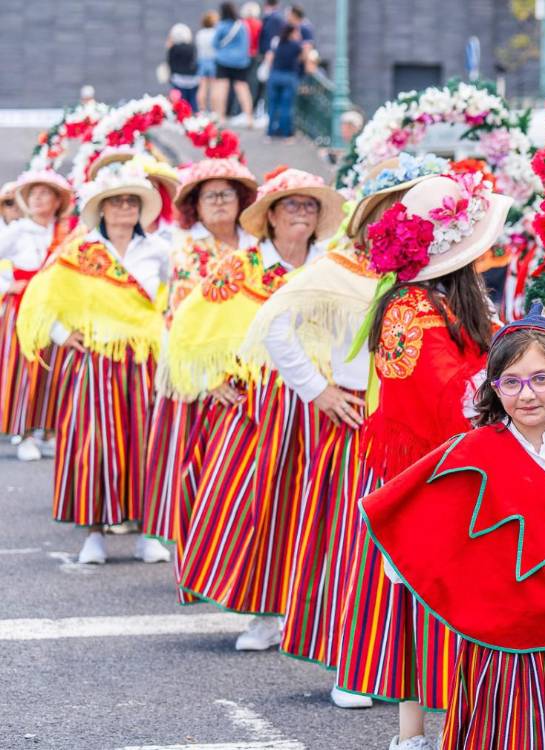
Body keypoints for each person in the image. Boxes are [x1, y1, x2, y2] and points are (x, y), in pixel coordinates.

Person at [364, 302, 545, 750]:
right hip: (493, 638)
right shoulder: (471, 451)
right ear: (493, 389)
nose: (527, 394)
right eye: (511, 382)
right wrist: (421, 570)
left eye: (541, 379)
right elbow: (416, 524)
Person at [343, 167, 509, 750]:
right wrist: (512, 386)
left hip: (461, 460)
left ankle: (456, 723)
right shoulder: (409, 310)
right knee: (425, 597)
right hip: (432, 471)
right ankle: (413, 731)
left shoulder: (445, 300)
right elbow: (444, 395)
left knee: (454, 595)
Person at [173, 168, 343, 650]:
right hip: (258, 403)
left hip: (320, 404)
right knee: (257, 504)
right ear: (269, 216)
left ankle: (311, 615)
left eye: (310, 206)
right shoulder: (240, 268)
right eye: (292, 205)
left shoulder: (332, 268)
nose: (302, 213)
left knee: (317, 507)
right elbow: (192, 328)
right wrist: (211, 378)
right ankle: (264, 613)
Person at [238, 211, 382, 710]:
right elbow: (276, 326)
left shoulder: (433, 272)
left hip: (416, 424)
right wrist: (317, 389)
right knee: (353, 545)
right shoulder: (335, 268)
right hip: (355, 418)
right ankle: (352, 665)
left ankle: (404, 668)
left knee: (410, 552)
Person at [15, 162, 171, 565]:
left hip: (144, 363)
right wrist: (62, 334)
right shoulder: (80, 252)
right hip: (93, 365)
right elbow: (40, 298)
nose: (123, 208)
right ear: (101, 209)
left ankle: (146, 533)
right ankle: (94, 534)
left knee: (146, 445)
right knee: (93, 447)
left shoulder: (158, 250)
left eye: (131, 202)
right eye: (115, 201)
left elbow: (175, 303)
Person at [140, 158, 259, 548]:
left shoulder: (259, 247)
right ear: (195, 204)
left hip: (256, 371)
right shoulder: (188, 252)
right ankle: (195, 552)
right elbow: (183, 319)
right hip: (203, 376)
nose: (221, 202)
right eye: (211, 196)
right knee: (195, 465)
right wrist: (209, 379)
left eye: (228, 194)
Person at [0, 170, 75, 462]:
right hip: (22, 310)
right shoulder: (18, 230)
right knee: (23, 373)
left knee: (55, 369)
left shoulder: (66, 234)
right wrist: (7, 286)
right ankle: (25, 433)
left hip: (57, 310)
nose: (38, 199)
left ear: (57, 201)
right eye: (33, 194)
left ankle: (49, 431)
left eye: (45, 193)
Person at [212, 2, 256, 128]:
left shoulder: (221, 26)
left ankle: (220, 117)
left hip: (223, 60)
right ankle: (249, 117)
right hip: (241, 62)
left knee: (221, 88)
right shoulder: (241, 25)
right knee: (242, 88)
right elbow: (247, 43)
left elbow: (215, 43)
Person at [263, 23, 305, 139]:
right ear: (292, 33)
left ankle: (270, 132)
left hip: (275, 75)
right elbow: (303, 59)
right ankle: (286, 133)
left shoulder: (278, 43)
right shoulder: (296, 45)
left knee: (272, 106)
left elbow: (270, 58)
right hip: (289, 77)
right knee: (286, 106)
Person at [166, 24, 200, 111]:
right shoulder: (192, 47)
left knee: (180, 102)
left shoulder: (173, 49)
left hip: (178, 79)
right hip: (192, 79)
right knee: (192, 101)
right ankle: (195, 116)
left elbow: (170, 63)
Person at [195, 12, 219, 117]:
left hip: (202, 60)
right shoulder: (215, 33)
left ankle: (202, 110)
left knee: (202, 86)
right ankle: (214, 111)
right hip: (213, 60)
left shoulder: (200, 33)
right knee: (214, 87)